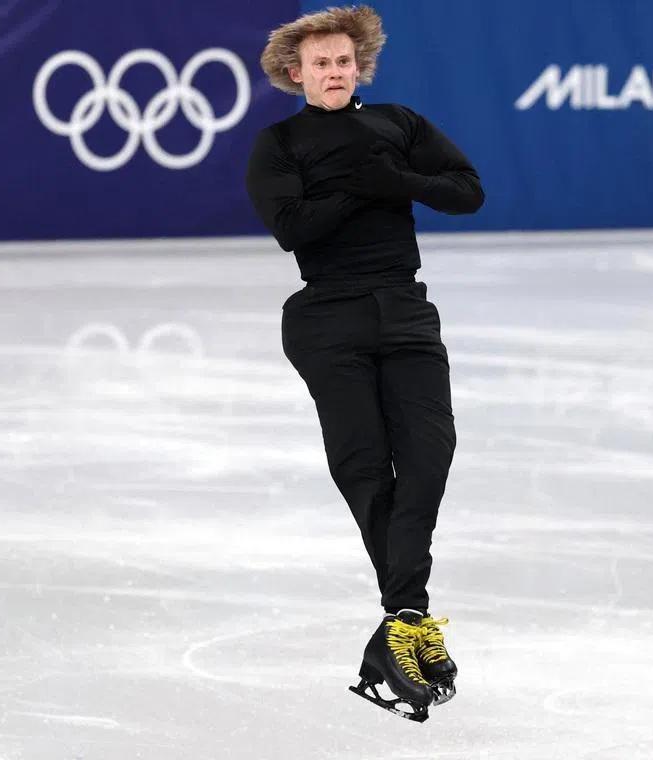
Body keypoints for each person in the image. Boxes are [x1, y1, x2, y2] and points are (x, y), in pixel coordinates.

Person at [245, 5, 484, 721]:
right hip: (329, 318)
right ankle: (409, 619)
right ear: (296, 73)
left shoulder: (399, 124)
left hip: (405, 311)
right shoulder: (279, 143)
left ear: (359, 67)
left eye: (344, 62)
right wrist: (360, 184)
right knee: (363, 465)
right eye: (320, 64)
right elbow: (292, 230)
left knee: (429, 455)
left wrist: (398, 180)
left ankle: (401, 624)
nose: (334, 72)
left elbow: (467, 193)